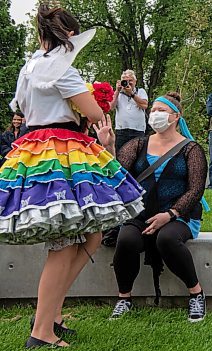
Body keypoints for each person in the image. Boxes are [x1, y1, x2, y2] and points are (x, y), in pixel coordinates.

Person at [0, 4, 144, 348]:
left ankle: (53, 314)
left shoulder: (29, 68)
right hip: (61, 152)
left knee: (91, 234)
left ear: (41, 35)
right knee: (63, 247)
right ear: (69, 37)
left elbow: (19, 107)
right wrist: (94, 110)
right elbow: (95, 112)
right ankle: (41, 332)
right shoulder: (62, 70)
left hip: (34, 149)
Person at [108, 91, 208, 323]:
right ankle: (124, 298)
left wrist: (171, 214)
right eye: (152, 110)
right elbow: (117, 175)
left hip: (179, 215)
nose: (154, 114)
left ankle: (196, 293)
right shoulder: (137, 144)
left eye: (161, 111)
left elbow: (195, 190)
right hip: (141, 212)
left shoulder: (191, 149)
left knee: (167, 239)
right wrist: (109, 145)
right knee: (126, 240)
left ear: (175, 117)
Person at [110, 69, 148, 153]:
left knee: (137, 156)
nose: (128, 83)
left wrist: (132, 94)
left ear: (135, 81)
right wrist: (117, 91)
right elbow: (111, 107)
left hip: (138, 130)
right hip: (121, 130)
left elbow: (144, 105)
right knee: (120, 155)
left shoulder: (140, 91)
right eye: (125, 81)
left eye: (130, 80)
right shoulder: (118, 94)